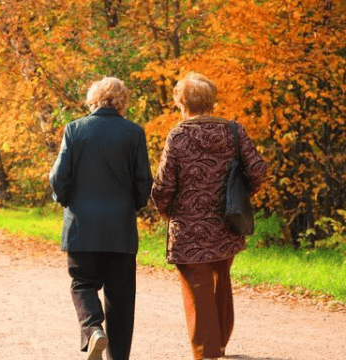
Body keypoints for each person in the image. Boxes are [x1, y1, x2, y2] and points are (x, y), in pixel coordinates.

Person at [151, 72, 267, 360]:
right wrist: (240, 196)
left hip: (189, 228)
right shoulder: (233, 131)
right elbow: (258, 170)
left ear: (182, 102)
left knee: (197, 288)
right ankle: (221, 342)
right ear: (211, 100)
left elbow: (164, 184)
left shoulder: (178, 135)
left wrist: (165, 209)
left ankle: (207, 352)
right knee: (221, 279)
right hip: (228, 223)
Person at [49, 77, 153, 360]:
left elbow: (58, 178)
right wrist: (135, 206)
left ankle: (93, 327)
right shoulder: (134, 133)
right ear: (122, 101)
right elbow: (144, 180)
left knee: (82, 282)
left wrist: (65, 200)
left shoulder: (75, 130)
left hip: (81, 226)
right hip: (120, 229)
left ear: (92, 100)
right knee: (121, 299)